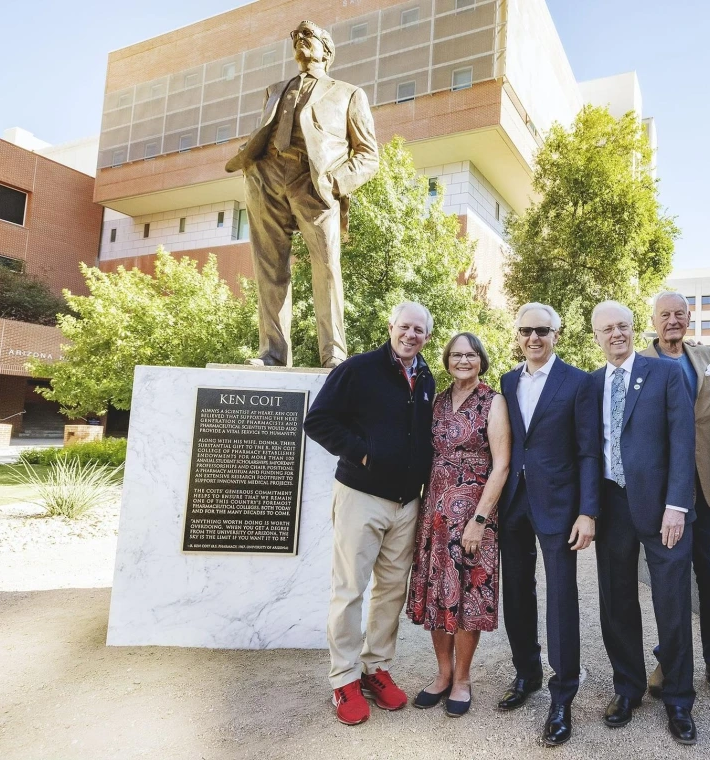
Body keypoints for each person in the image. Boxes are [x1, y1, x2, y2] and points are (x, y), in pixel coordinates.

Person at [303, 301, 436, 726]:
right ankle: (343, 678)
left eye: (419, 330)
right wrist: (363, 454)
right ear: (391, 326)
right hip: (362, 496)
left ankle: (375, 667)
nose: (411, 335)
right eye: (405, 327)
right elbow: (318, 421)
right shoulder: (358, 369)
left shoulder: (427, 376)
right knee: (350, 590)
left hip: (407, 503)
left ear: (426, 337)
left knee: (391, 591)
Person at [225, 21, 378, 368]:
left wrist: (333, 184)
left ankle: (334, 354)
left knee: (327, 267)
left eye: (308, 36)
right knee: (269, 268)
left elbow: (369, 156)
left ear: (327, 49)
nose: (300, 41)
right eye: (295, 37)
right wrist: (252, 162)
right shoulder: (274, 89)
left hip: (314, 182)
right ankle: (273, 353)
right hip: (266, 178)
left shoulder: (349, 94)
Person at [589, 300, 698, 745]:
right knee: (616, 603)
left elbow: (682, 442)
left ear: (634, 329)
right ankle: (628, 688)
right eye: (607, 329)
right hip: (611, 506)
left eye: (623, 326)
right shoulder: (591, 384)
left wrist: (677, 504)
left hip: (661, 509)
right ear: (595, 336)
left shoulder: (666, 374)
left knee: (671, 603)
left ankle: (677, 699)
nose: (616, 334)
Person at [496, 303, 600, 746]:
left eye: (542, 330)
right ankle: (527, 673)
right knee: (516, 591)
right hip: (513, 503)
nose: (534, 338)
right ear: (517, 335)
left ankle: (563, 695)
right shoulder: (505, 381)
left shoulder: (578, 382)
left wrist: (588, 510)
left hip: (560, 505)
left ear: (557, 333)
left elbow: (589, 451)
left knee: (561, 597)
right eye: (526, 331)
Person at [641, 291, 710, 707]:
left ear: (689, 318)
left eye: (679, 314)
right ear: (654, 319)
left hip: (703, 485)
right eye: (665, 315)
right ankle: (669, 661)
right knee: (670, 585)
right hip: (661, 489)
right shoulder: (639, 362)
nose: (672, 321)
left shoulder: (705, 358)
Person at [407, 333, 511, 717]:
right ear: (447, 360)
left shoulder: (493, 401)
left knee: (468, 596)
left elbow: (501, 465)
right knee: (437, 593)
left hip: (474, 515)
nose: (463, 360)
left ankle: (463, 678)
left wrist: (479, 520)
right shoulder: (436, 402)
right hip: (434, 513)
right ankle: (443, 674)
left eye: (470, 355)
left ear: (481, 360)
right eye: (456, 355)